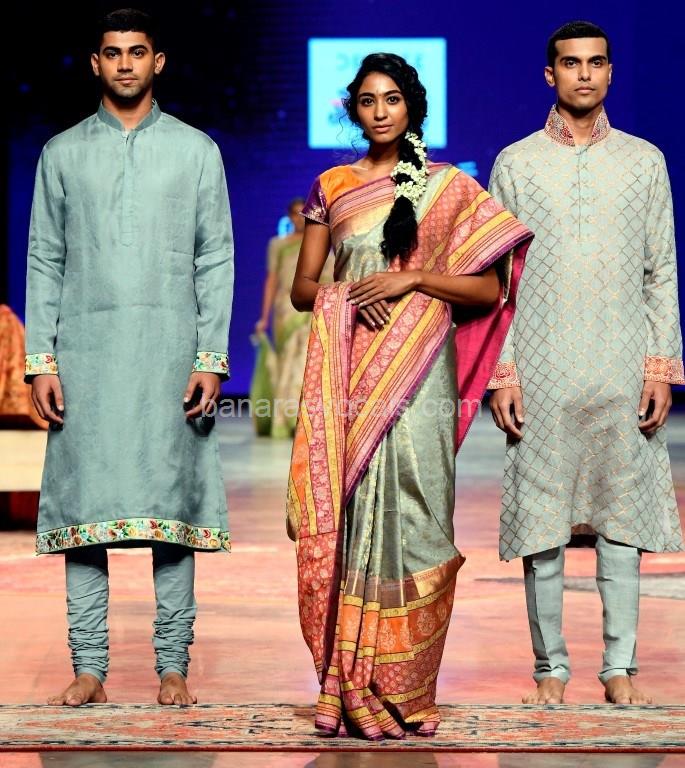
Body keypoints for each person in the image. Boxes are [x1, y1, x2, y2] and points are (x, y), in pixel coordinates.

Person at [287, 52, 532, 739]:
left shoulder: (449, 187)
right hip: (352, 376)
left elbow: (488, 289)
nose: (379, 111)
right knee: (354, 519)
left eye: (391, 99)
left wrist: (413, 279)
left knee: (421, 518)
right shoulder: (331, 187)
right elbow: (304, 289)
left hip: (422, 378)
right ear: (353, 110)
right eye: (367, 100)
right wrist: (345, 294)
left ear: (411, 106)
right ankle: (347, 683)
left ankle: (408, 689)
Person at [24, 8, 234, 707]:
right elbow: (45, 259)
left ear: (157, 62)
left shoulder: (196, 150)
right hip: (86, 357)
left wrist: (209, 356)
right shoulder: (61, 153)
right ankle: (89, 666)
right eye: (112, 53)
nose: (124, 64)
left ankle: (173, 664)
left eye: (136, 52)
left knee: (171, 508)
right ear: (95, 63)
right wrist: (41, 359)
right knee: (85, 509)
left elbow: (215, 257)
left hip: (170, 355)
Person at [488, 20, 683, 706]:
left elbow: (661, 271)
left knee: (620, 522)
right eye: (570, 64)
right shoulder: (515, 163)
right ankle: (549, 669)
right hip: (541, 370)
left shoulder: (644, 161)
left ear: (610, 72)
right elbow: (497, 280)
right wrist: (503, 371)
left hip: (620, 364)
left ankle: (619, 667)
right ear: (550, 74)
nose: (584, 74)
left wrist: (658, 367)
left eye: (596, 63)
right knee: (543, 524)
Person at [253, 198, 311, 438]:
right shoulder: (278, 244)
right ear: (289, 217)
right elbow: (272, 280)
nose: (299, 219)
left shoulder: (317, 242)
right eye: (295, 214)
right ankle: (285, 418)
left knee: (305, 360)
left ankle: (301, 418)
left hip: (311, 306)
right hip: (285, 307)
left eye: (303, 214)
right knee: (287, 360)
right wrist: (264, 317)